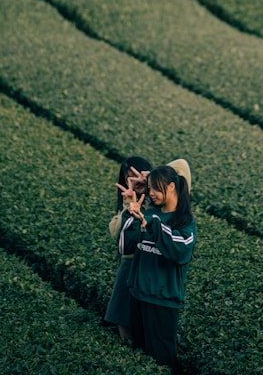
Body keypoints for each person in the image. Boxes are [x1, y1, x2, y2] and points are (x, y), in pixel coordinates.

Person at [118, 164, 196, 369]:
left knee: (162, 361)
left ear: (171, 186)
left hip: (163, 303)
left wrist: (152, 223)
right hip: (138, 296)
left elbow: (181, 251)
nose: (151, 193)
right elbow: (124, 245)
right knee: (139, 359)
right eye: (149, 188)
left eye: (155, 188)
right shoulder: (149, 214)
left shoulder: (185, 222)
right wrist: (130, 209)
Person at [104, 156, 153, 340]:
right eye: (128, 178)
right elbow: (117, 234)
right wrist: (129, 205)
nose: (133, 181)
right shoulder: (125, 208)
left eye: (137, 175)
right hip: (130, 267)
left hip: (152, 268)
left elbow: (182, 169)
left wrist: (151, 181)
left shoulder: (161, 202)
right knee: (124, 319)